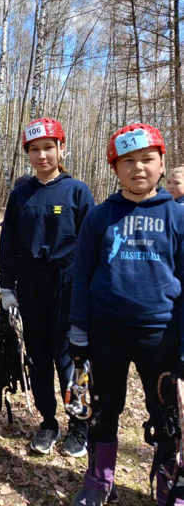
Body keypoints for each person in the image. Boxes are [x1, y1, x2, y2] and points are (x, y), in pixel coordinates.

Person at [69, 123, 184, 506]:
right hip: (107, 332)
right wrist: (78, 330)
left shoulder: (178, 217)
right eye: (128, 161)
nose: (138, 168)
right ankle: (100, 481)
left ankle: (170, 482)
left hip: (161, 335)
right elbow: (81, 276)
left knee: (167, 413)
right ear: (115, 168)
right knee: (104, 408)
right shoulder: (100, 217)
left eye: (147, 159)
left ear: (162, 163)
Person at [0, 117, 95, 458]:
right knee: (38, 357)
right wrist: (6, 287)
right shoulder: (20, 195)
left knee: (72, 357)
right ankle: (49, 422)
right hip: (30, 283)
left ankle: (79, 424)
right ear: (28, 153)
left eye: (48, 148)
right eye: (34, 150)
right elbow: (8, 243)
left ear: (61, 149)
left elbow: (91, 246)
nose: (42, 156)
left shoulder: (77, 191)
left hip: (68, 282)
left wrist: (91, 291)